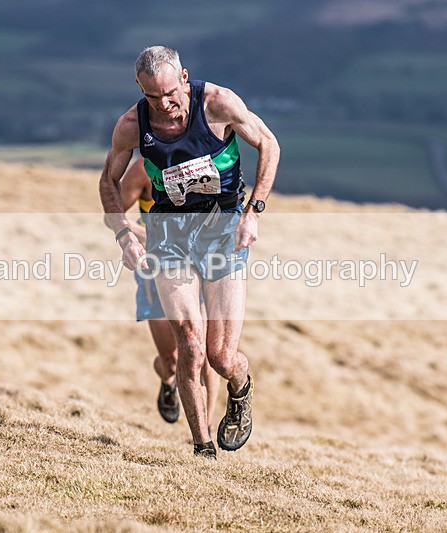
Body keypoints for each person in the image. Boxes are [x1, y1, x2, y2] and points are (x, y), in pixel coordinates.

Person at [100, 46, 280, 458]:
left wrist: (254, 212)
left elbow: (269, 145)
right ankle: (203, 449)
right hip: (169, 232)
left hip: (223, 230)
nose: (163, 105)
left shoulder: (218, 103)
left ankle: (240, 385)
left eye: (169, 94)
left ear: (185, 78)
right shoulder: (131, 125)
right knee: (188, 342)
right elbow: (108, 181)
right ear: (140, 91)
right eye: (151, 97)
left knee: (219, 356)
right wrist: (123, 234)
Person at [117, 158, 221, 430]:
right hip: (156, 270)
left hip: (197, 268)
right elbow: (115, 215)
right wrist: (147, 235)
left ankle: (206, 427)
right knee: (172, 361)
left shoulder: (206, 162)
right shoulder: (142, 169)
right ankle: (167, 381)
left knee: (206, 355)